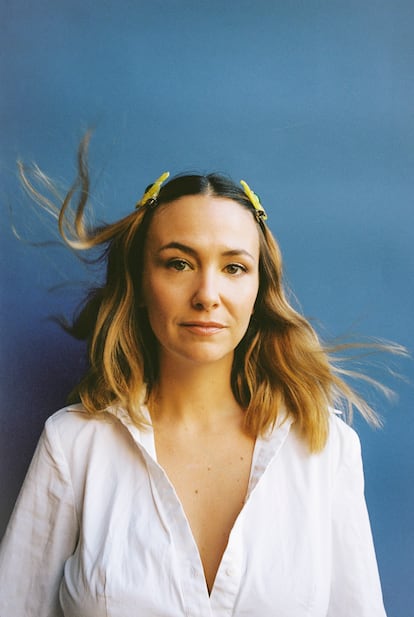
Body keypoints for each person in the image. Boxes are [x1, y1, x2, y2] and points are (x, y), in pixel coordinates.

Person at [0, 134, 391, 616]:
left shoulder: (325, 448)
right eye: (179, 263)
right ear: (141, 283)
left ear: (257, 290)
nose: (207, 293)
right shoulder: (73, 444)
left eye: (233, 267)